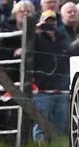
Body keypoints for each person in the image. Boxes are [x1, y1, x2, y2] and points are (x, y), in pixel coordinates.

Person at [32, 10, 70, 141]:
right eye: (46, 22)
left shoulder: (62, 39)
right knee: (41, 124)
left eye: (52, 22)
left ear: (56, 23)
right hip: (42, 89)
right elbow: (22, 43)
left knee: (61, 124)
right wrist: (35, 30)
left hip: (61, 89)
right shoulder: (35, 38)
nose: (50, 25)